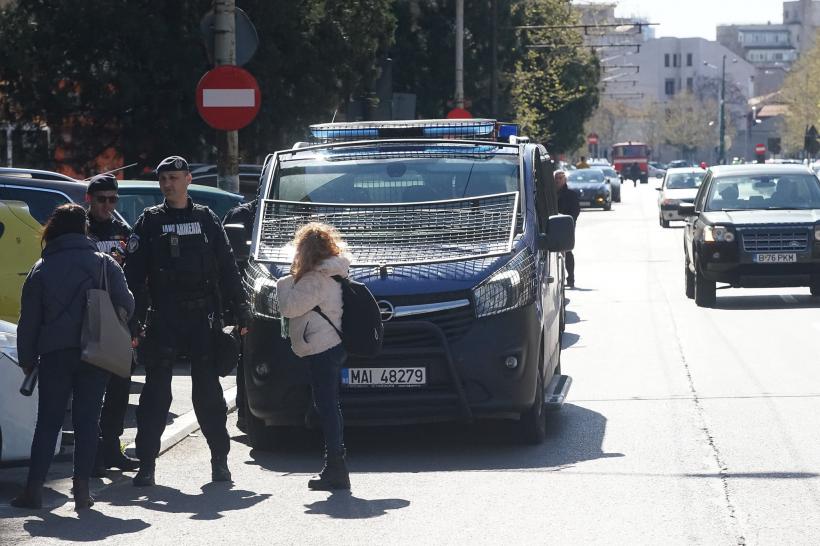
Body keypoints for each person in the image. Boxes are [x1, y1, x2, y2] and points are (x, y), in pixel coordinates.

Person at [125, 156, 248, 487]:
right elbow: (132, 277)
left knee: (208, 394)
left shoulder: (206, 219)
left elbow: (227, 267)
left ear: (189, 179)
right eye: (163, 179)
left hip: (201, 317)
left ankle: (219, 462)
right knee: (155, 396)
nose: (168, 184)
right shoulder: (149, 222)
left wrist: (242, 311)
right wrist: (131, 320)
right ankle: (146, 464)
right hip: (163, 317)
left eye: (174, 178)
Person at [12, 204, 134, 510]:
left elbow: (28, 320)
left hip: (54, 355)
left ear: (53, 229)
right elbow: (127, 304)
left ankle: (34, 490)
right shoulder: (104, 264)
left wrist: (27, 357)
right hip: (96, 351)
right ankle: (82, 492)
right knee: (87, 420)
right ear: (84, 229)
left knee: (48, 421)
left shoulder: (42, 267)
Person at [277, 222, 351, 491]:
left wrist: (283, 281)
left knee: (328, 406)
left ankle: (335, 466)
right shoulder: (334, 274)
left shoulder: (314, 279)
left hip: (321, 347)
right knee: (329, 404)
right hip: (333, 345)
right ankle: (335, 464)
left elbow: (288, 307)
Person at [85, 174, 140, 475]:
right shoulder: (80, 229)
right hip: (90, 318)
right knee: (91, 391)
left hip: (120, 318)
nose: (107, 205)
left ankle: (112, 449)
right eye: (101, 199)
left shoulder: (123, 231)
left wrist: (137, 321)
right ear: (89, 200)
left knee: (119, 388)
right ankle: (91, 456)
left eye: (112, 199)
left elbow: (137, 274)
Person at [221, 199, 257, 432]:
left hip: (296, 295)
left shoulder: (300, 210)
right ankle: (246, 414)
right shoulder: (242, 216)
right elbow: (226, 261)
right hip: (248, 296)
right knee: (248, 354)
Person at [555, 170, 580, 288]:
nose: (558, 180)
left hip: (566, 226)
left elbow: (575, 211)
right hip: (553, 225)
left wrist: (570, 221)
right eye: (556, 178)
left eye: (561, 178)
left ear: (565, 180)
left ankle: (571, 278)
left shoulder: (571, 194)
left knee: (567, 251)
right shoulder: (549, 194)